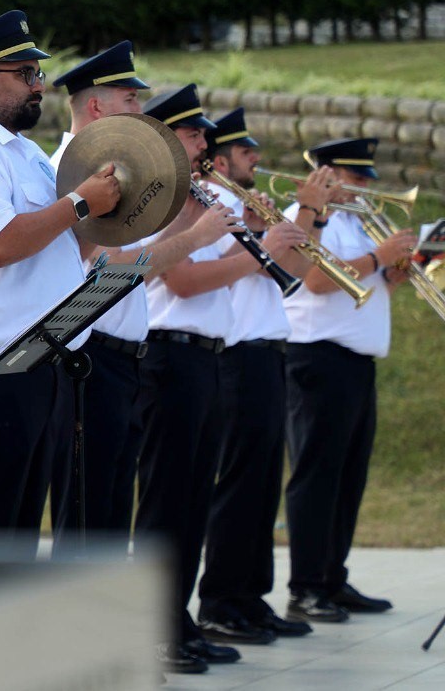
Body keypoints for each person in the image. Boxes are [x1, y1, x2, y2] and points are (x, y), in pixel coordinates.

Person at [0, 10, 119, 558]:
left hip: (36, 360)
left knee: (14, 532)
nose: (39, 85)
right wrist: (81, 201)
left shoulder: (24, 151)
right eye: (25, 74)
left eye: (38, 74)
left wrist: (108, 214)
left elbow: (60, 243)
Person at [134, 85, 307, 674]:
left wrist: (261, 235)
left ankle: (177, 619)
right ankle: (156, 626)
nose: (205, 143)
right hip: (170, 355)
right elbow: (181, 281)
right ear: (163, 140)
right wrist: (257, 246)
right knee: (167, 500)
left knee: (192, 500)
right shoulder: (163, 197)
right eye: (191, 134)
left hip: (207, 354)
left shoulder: (200, 195)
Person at [46, 43, 237, 557]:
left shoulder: (114, 167)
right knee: (86, 516)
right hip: (89, 353)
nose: (141, 113)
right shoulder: (71, 170)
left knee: (110, 516)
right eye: (131, 101)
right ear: (96, 109)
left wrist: (184, 222)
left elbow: (132, 264)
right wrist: (193, 240)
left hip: (123, 356)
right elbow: (108, 272)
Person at [196, 109, 323, 644]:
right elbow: (222, 267)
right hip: (237, 351)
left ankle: (251, 595)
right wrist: (258, 233)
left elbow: (295, 273)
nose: (258, 162)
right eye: (247, 155)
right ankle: (222, 600)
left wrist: (298, 222)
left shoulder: (243, 205)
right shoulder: (213, 202)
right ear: (221, 159)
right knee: (239, 482)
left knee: (263, 482)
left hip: (269, 348)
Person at [282, 137, 413, 623]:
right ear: (328, 175)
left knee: (347, 477)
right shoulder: (315, 218)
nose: (363, 188)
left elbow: (365, 283)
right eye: (356, 178)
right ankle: (307, 587)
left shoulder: (356, 224)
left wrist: (394, 272)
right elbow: (317, 280)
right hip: (320, 357)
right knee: (317, 477)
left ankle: (332, 578)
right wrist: (379, 258)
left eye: (365, 180)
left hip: (355, 362)